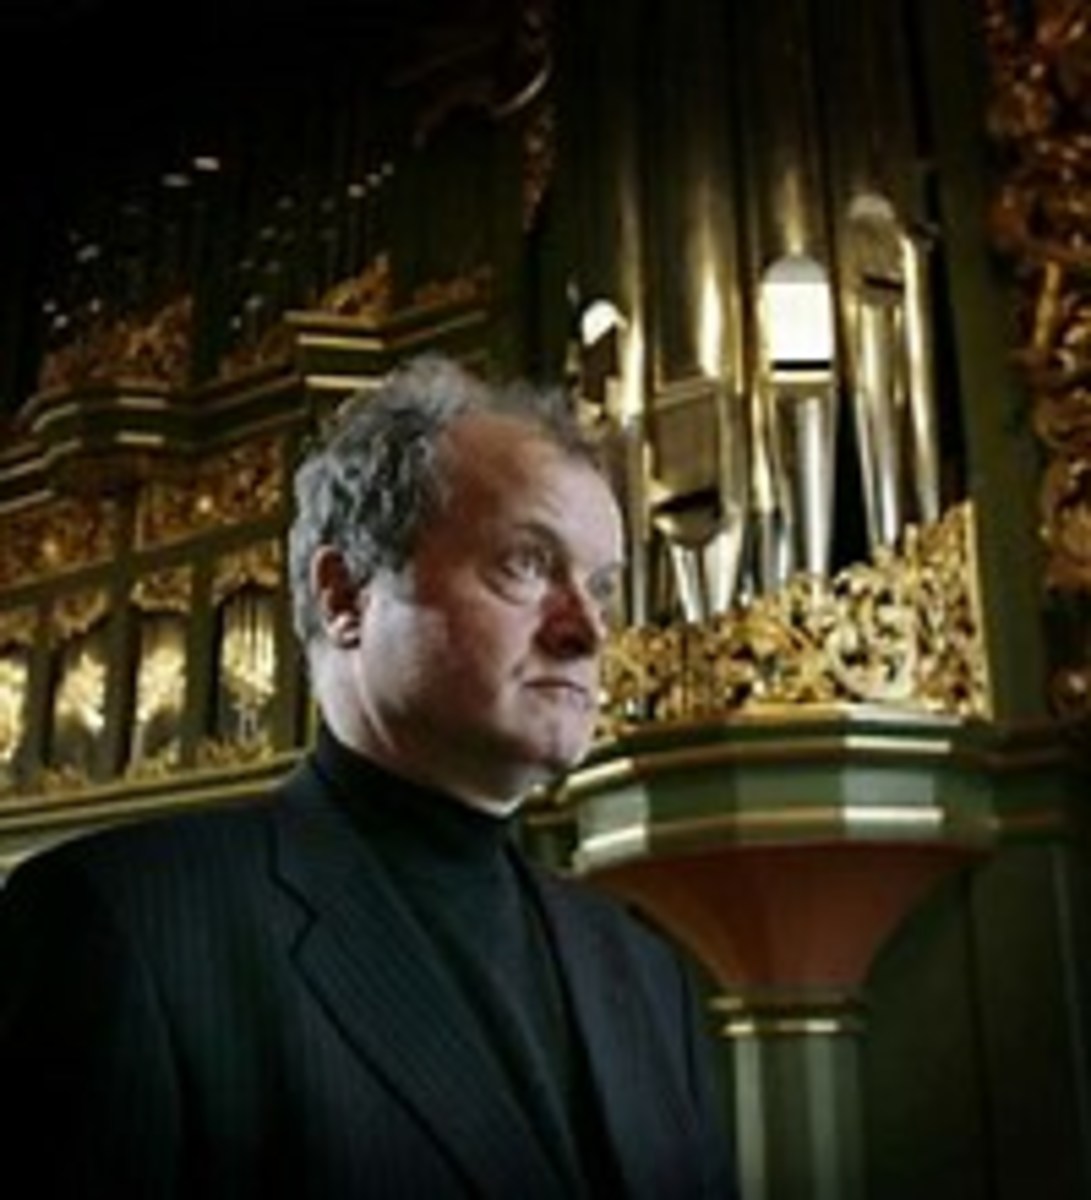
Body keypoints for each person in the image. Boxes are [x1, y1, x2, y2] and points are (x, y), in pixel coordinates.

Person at [0, 353, 736, 1198]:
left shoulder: (645, 969)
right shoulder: (123, 924)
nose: (588, 631)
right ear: (345, 595)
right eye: (526, 564)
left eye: (601, 587)